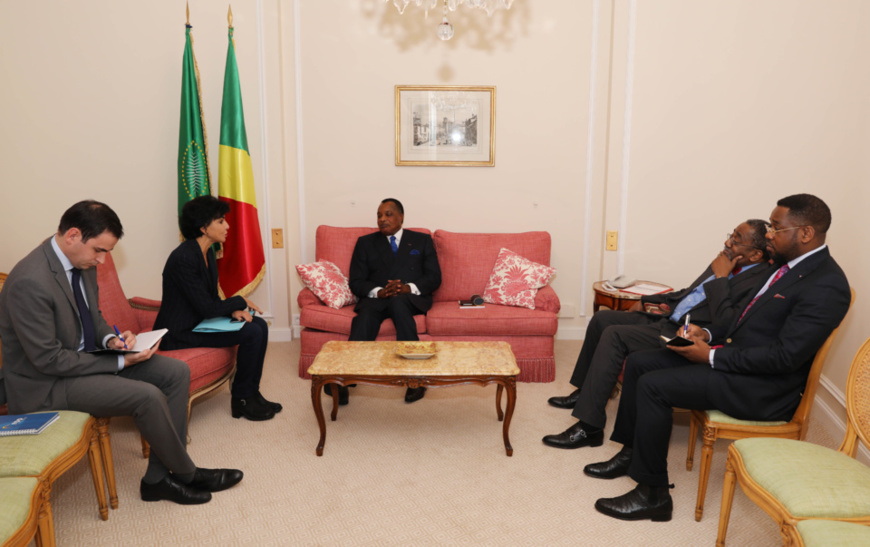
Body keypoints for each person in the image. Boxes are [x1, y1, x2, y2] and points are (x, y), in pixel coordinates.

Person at [586, 194, 851, 522]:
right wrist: (706, 335)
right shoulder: (783, 266)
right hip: (735, 359)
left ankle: (653, 495)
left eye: (776, 228)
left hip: (762, 388)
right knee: (641, 363)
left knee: (654, 386)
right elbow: (742, 317)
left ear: (806, 233)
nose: (769, 234)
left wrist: (711, 356)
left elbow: (784, 357)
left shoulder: (826, 284)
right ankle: (633, 453)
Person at [0, 200, 243, 505]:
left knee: (176, 372)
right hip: (47, 383)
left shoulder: (82, 261)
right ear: (73, 235)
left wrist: (111, 340)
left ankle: (157, 479)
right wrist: (120, 360)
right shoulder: (30, 282)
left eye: (107, 252)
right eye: (99, 250)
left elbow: (93, 315)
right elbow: (49, 359)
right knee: (147, 396)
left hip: (87, 359)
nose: (102, 260)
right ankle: (187, 473)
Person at [542, 220, 774, 449]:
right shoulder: (723, 261)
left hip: (684, 331)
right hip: (667, 317)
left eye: (736, 240)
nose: (728, 242)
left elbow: (728, 322)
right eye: (731, 235)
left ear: (755, 255)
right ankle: (585, 392)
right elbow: (688, 293)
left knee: (615, 335)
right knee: (602, 319)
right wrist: (647, 300)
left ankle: (589, 428)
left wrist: (722, 277)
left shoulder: (757, 281)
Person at [153, 195, 279, 421]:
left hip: (198, 322)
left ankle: (252, 392)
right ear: (203, 227)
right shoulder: (183, 258)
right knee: (251, 332)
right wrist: (240, 301)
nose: (227, 226)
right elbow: (207, 307)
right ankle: (242, 399)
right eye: (220, 221)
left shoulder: (207, 252)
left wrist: (232, 310)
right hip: (179, 333)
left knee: (259, 325)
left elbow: (208, 299)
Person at [331, 198, 442, 404]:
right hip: (378, 298)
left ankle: (415, 378)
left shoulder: (421, 240)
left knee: (399, 302)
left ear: (401, 217)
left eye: (388, 214)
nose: (382, 219)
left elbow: (434, 277)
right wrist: (379, 292)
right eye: (379, 215)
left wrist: (408, 288)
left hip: (409, 297)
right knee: (365, 317)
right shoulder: (365, 243)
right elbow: (356, 281)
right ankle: (344, 379)